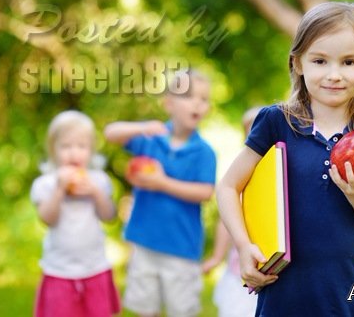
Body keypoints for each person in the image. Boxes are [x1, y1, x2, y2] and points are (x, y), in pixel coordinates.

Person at [216, 2, 354, 316]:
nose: (334, 74)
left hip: (344, 302)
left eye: (349, 62)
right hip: (281, 300)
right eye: (319, 60)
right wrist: (245, 247)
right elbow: (229, 187)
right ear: (298, 63)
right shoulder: (277, 123)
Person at [104, 69, 216, 317]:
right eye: (188, 96)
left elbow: (205, 192)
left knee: (181, 309)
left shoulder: (204, 152)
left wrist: (161, 183)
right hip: (144, 242)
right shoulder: (151, 139)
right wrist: (142, 127)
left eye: (204, 99)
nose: (197, 103)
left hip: (181, 248)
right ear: (168, 104)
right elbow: (110, 133)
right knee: (147, 307)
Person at [30, 110, 120, 317]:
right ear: (53, 150)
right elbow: (47, 219)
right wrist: (60, 190)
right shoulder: (46, 184)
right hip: (59, 270)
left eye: (81, 146)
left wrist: (96, 193)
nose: (74, 153)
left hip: (94, 267)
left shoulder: (98, 181)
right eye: (66, 146)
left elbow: (109, 216)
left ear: (91, 150)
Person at [203, 108, 261, 317]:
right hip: (240, 271)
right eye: (252, 131)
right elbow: (225, 221)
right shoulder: (240, 176)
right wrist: (217, 256)